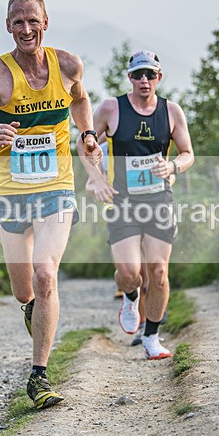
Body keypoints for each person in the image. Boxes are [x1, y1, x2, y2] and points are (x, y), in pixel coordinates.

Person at [0, 0, 101, 409]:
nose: (26, 29)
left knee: (45, 274)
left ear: (46, 23)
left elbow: (80, 99)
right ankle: (32, 309)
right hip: (10, 193)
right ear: (8, 27)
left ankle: (38, 376)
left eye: (32, 21)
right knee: (24, 289)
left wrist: (88, 133)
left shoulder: (69, 65)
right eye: (17, 22)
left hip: (57, 188)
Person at [82, 50, 194, 360]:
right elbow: (85, 142)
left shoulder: (171, 112)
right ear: (129, 78)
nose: (144, 80)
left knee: (158, 272)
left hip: (159, 199)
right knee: (129, 272)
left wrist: (173, 168)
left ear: (159, 77)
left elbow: (187, 153)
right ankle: (131, 297)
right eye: (137, 75)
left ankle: (152, 336)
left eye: (150, 74)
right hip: (124, 202)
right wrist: (97, 177)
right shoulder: (110, 108)